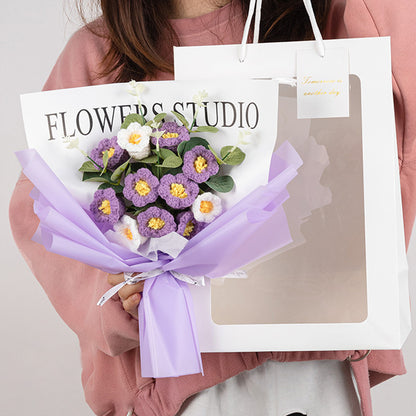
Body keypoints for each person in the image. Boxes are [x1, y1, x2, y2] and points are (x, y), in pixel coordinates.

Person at [9, 0, 416, 415]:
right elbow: (40, 209)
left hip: (317, 368)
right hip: (181, 386)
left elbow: (399, 143)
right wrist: (114, 293)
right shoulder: (100, 53)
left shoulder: (333, 23)